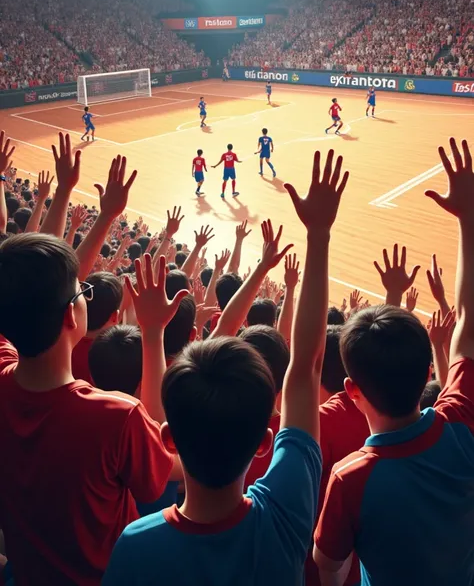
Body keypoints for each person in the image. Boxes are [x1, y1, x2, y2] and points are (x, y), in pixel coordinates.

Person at [103, 148, 349, 585]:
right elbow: (306, 369)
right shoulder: (287, 511)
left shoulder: (135, 545)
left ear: (168, 439)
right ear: (264, 442)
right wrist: (319, 236)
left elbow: (303, 370)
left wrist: (154, 333)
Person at [313, 136, 474, 586]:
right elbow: (467, 329)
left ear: (353, 391)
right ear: (429, 373)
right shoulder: (461, 426)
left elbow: (330, 570)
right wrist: (469, 220)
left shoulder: (349, 479)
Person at [0, 234, 174, 586]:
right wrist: (153, 332)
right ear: (70, 314)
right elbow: (161, 476)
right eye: (83, 292)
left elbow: (26, 286)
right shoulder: (117, 416)